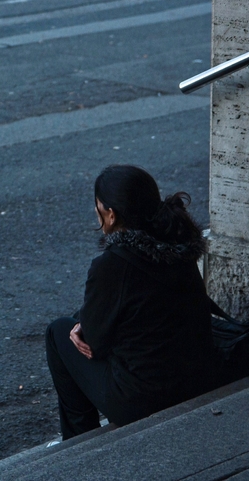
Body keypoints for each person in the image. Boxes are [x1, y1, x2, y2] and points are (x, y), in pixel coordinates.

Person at [45, 165, 216, 440]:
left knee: (57, 333)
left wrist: (83, 324)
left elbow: (95, 343)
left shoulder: (112, 265)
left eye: (98, 205)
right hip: (200, 375)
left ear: (111, 214)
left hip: (145, 397)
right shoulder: (177, 242)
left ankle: (79, 441)